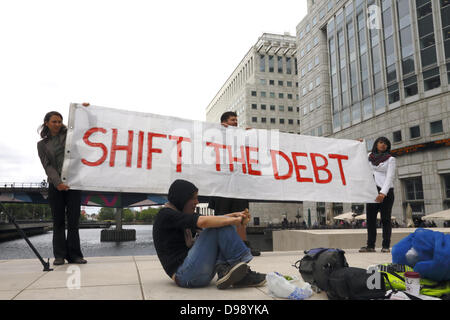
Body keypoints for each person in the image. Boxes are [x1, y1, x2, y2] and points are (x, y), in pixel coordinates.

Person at [153, 179, 266, 289]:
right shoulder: (166, 215)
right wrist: (235, 221)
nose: (197, 202)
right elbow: (204, 222)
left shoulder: (179, 214)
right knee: (218, 225)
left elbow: (213, 218)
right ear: (182, 199)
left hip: (195, 272)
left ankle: (224, 271)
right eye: (193, 198)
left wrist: (235, 215)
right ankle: (241, 272)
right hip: (185, 275)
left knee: (220, 223)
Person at [208, 111, 261, 256]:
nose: (236, 123)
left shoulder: (240, 137)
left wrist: (252, 136)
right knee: (223, 216)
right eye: (232, 120)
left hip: (238, 184)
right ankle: (221, 247)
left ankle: (243, 246)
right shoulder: (215, 137)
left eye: (236, 120)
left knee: (242, 215)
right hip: (222, 185)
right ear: (224, 122)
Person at [37, 111, 87, 265]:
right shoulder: (42, 145)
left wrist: (85, 110)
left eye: (60, 121)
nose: (57, 124)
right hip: (55, 186)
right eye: (54, 121)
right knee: (58, 221)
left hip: (73, 184)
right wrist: (58, 182)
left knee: (73, 221)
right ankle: (59, 256)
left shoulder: (71, 136)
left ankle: (75, 255)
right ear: (46, 123)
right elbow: (48, 166)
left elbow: (86, 129)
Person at [359, 137, 396, 253]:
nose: (383, 145)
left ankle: (385, 246)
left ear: (388, 146)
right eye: (380, 142)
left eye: (385, 143)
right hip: (372, 192)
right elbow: (359, 158)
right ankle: (370, 245)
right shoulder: (369, 157)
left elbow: (390, 177)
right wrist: (360, 145)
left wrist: (383, 193)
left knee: (385, 220)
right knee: (370, 220)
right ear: (376, 144)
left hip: (386, 192)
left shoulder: (390, 159)